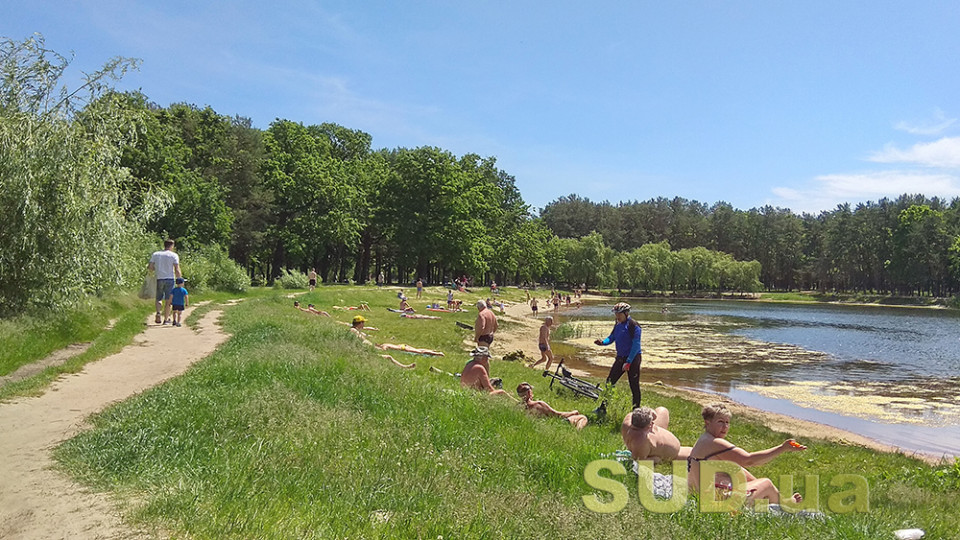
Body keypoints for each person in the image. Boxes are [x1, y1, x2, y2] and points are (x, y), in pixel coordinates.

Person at [687, 403, 806, 505]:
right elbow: (748, 460)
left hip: (701, 494)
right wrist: (782, 448)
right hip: (717, 501)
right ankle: (784, 503)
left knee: (737, 470)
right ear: (707, 423)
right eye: (720, 422)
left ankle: (772, 497)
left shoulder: (704, 440)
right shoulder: (714, 442)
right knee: (766, 483)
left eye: (727, 423)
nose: (725, 427)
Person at [593, 302, 643, 410]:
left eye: (619, 314)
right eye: (615, 314)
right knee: (610, 382)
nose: (617, 316)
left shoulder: (633, 325)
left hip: (633, 359)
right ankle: (603, 408)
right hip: (620, 357)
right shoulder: (618, 325)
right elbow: (612, 337)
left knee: (634, 385)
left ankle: (636, 411)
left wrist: (629, 362)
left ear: (626, 313)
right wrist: (603, 342)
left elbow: (636, 345)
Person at [621, 406, 691, 463]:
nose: (653, 424)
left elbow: (651, 415)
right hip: (675, 454)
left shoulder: (628, 419)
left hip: (651, 432)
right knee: (698, 455)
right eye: (651, 424)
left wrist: (648, 412)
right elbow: (639, 461)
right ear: (648, 426)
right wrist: (656, 459)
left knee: (662, 410)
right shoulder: (641, 442)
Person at [347, 316, 416, 369]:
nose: (364, 324)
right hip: (362, 353)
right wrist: (374, 347)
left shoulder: (355, 330)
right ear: (360, 323)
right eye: (363, 322)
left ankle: (404, 367)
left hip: (364, 351)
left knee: (388, 357)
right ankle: (405, 367)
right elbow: (362, 341)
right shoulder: (353, 330)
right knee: (388, 357)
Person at [516, 382, 588, 430]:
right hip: (553, 426)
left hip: (536, 427)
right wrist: (573, 413)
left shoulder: (518, 407)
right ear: (529, 392)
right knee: (583, 417)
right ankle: (577, 432)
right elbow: (557, 415)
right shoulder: (538, 404)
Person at [147, 239, 182, 325]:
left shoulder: (156, 254)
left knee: (158, 297)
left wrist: (157, 270)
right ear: (172, 246)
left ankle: (158, 313)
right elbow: (177, 269)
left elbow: (150, 267)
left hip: (159, 278)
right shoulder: (174, 255)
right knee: (168, 300)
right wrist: (180, 279)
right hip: (170, 279)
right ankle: (166, 319)